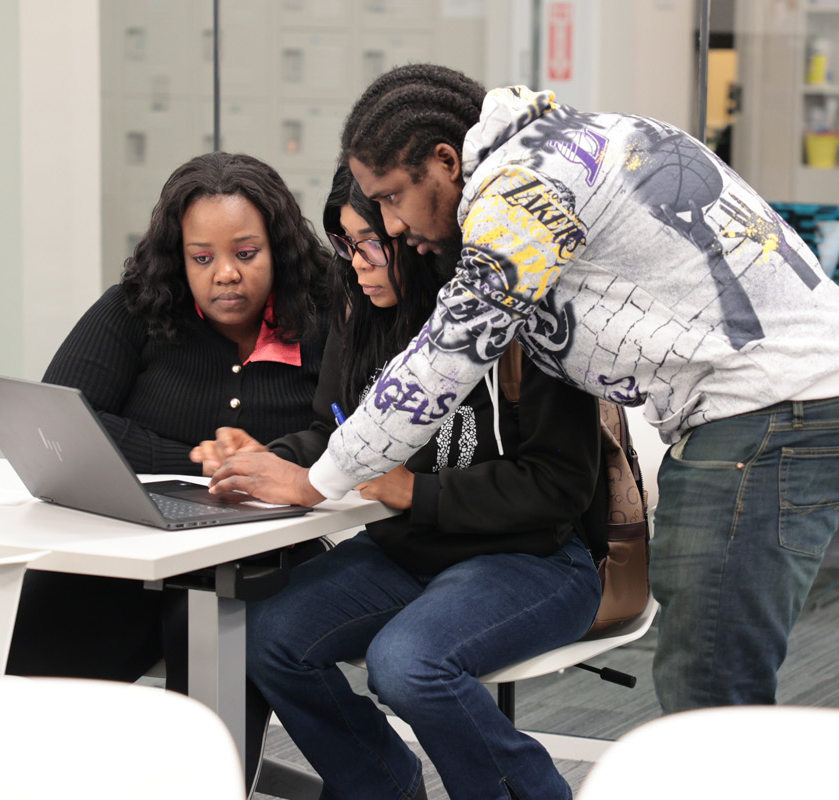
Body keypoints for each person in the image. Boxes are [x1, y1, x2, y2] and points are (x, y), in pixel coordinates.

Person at [210, 65, 839, 714]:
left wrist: (318, 480)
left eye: (390, 196)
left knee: (709, 674)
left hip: (779, 409)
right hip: (784, 399)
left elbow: (443, 360)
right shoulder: (559, 147)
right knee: (709, 664)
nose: (389, 225)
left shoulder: (517, 197)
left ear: (446, 162)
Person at [193, 166, 604, 800]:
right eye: (345, 245)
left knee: (408, 665)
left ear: (414, 240)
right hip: (409, 551)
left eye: (369, 244)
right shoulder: (363, 318)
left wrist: (416, 492)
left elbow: (561, 486)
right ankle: (382, 785)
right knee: (269, 636)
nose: (356, 263)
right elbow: (335, 433)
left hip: (538, 558)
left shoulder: (526, 317)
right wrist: (264, 460)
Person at [6, 151, 331, 699]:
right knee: (27, 673)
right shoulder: (137, 309)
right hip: (126, 558)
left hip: (263, 564)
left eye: (246, 253)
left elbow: (353, 431)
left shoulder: (329, 321)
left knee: (217, 670)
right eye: (201, 258)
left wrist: (275, 457)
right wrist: (191, 462)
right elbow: (56, 424)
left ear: (280, 247)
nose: (224, 273)